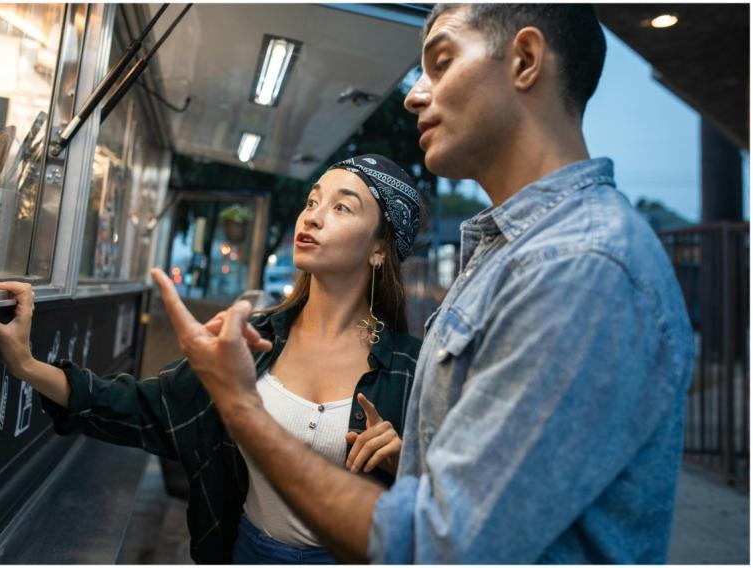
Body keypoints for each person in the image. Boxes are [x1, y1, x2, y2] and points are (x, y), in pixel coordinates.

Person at [149, 4, 695, 564]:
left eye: (442, 61)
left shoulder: (579, 265)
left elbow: (439, 544)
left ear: (525, 60)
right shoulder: (507, 252)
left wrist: (239, 404)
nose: (414, 95)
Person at [0, 155, 424, 564]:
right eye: (312, 201)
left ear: (379, 249)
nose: (312, 216)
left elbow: (449, 515)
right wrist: (26, 365)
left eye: (342, 207)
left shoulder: (412, 369)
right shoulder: (253, 339)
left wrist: (406, 463)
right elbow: (144, 407)